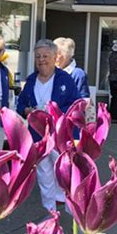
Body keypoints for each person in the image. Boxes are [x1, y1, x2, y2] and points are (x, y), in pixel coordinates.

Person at [17, 39, 81, 212]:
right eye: (38, 56)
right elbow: (20, 104)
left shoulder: (65, 79)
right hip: (38, 136)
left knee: (64, 171)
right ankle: (50, 211)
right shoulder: (31, 80)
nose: (41, 60)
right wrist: (27, 110)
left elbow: (76, 105)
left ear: (55, 57)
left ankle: (71, 209)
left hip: (59, 135)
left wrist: (56, 112)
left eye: (45, 56)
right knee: (44, 172)